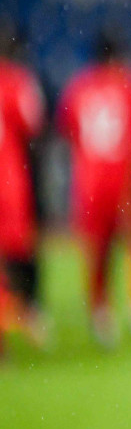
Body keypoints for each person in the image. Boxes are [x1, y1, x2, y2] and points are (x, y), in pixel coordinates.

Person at [57, 34, 131, 346]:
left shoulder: (77, 87)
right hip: (123, 180)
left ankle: (102, 316)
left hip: (88, 183)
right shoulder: (130, 84)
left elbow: (67, 130)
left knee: (98, 252)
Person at [0, 23, 46, 351]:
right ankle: (24, 313)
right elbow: (35, 127)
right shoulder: (18, 81)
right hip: (9, 181)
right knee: (17, 255)